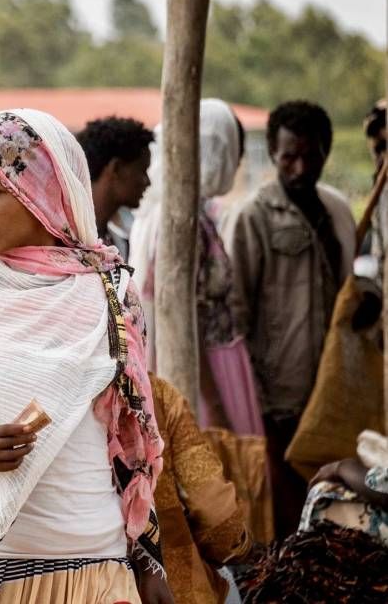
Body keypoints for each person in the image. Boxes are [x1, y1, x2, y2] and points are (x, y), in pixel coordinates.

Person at [0, 110, 171, 604]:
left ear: (44, 191)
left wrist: (149, 560)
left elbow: (131, 444)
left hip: (95, 565)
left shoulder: (110, 292)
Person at [224, 100, 355, 538]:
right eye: (287, 157)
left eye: (309, 155)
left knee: (331, 511)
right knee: (285, 516)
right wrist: (255, 398)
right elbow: (235, 314)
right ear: (274, 156)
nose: (299, 167)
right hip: (279, 395)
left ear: (325, 152)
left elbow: (348, 286)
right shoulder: (253, 217)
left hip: (331, 388)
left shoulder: (336, 211)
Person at [130, 99, 263, 435]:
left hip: (210, 366)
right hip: (208, 372)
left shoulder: (170, 212)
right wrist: (215, 404)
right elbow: (185, 313)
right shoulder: (182, 220)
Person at [150, 373, 253, 604]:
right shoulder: (158, 395)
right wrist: (235, 546)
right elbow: (219, 516)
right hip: (177, 586)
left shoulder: (52, 404)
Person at [76, 116, 154, 260]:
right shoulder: (68, 240)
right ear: (116, 168)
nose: (147, 182)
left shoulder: (117, 242)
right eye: (142, 170)